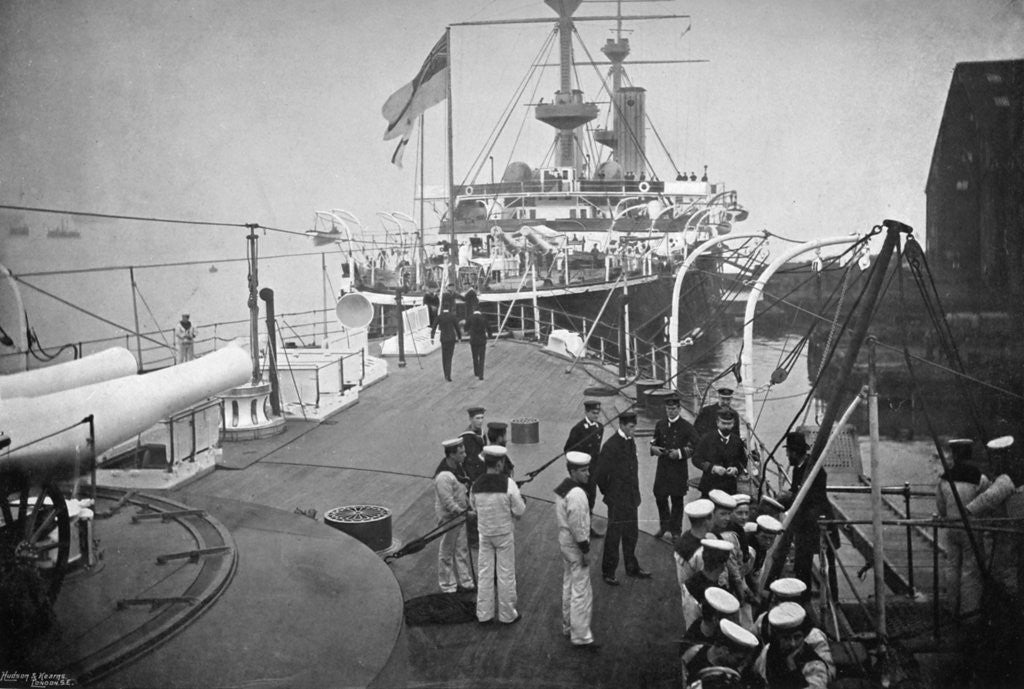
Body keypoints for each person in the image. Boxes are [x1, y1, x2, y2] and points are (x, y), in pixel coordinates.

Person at [471, 445, 526, 625]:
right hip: (503, 534)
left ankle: (484, 614)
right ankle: (508, 614)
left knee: (485, 573)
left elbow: (474, 507)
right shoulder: (508, 484)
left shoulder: (476, 484)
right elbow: (519, 510)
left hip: (485, 534)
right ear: (500, 463)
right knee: (506, 574)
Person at [594, 411, 651, 585]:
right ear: (622, 426)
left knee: (631, 534)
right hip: (617, 499)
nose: (634, 430)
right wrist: (610, 494)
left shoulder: (629, 441)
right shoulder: (611, 446)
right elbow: (600, 475)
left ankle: (631, 567)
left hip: (631, 497)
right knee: (614, 536)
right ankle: (608, 571)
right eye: (631, 427)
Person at [778, 431, 836, 593]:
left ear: (794, 452)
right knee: (802, 559)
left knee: (807, 557)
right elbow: (797, 490)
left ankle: (818, 597)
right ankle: (803, 591)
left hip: (818, 521)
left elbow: (812, 497)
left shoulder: (814, 469)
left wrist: (790, 499)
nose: (787, 455)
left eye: (788, 452)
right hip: (806, 519)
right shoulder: (800, 467)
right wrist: (786, 497)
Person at [935, 437, 986, 621]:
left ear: (954, 455)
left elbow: (940, 507)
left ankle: (951, 607)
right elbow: (986, 503)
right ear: (969, 454)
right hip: (971, 528)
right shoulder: (979, 478)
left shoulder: (944, 479)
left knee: (952, 566)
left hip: (951, 526)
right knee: (970, 569)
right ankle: (969, 613)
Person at [555, 451, 599, 650]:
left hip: (564, 542)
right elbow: (578, 525)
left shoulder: (562, 489)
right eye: (583, 470)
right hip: (575, 544)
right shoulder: (578, 494)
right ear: (573, 471)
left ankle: (567, 625)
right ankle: (580, 635)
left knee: (568, 583)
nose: (588, 474)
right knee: (581, 589)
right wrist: (586, 549)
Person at [650, 394, 699, 540]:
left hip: (678, 469)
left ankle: (676, 531)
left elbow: (697, 445)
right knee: (660, 496)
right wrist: (653, 449)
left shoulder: (687, 426)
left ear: (679, 409)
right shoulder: (660, 424)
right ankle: (664, 527)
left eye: (673, 409)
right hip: (663, 468)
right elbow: (654, 441)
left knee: (677, 499)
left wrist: (680, 453)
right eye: (668, 409)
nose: (670, 412)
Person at [754, 602, 835, 689]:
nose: (793, 644)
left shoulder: (814, 666)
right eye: (786, 638)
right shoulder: (767, 652)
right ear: (777, 638)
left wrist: (793, 669)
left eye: (797, 637)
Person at [433, 437, 475, 594]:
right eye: (461, 453)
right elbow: (448, 503)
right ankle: (447, 584)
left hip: (461, 516)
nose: (465, 455)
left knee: (462, 548)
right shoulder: (444, 477)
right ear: (451, 455)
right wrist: (465, 513)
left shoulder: (458, 468)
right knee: (447, 551)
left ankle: (465, 581)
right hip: (449, 519)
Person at [564, 400, 605, 539]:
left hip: (592, 472)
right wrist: (575, 471)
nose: (596, 415)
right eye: (593, 413)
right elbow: (568, 450)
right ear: (586, 412)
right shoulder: (578, 429)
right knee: (579, 501)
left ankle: (587, 528)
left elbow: (596, 451)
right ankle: (577, 529)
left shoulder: (600, 427)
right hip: (580, 473)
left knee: (591, 499)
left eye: (598, 413)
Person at [682, 619, 761, 689]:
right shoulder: (693, 654)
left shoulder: (734, 676)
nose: (741, 664)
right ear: (724, 650)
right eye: (739, 659)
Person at [692, 410, 748, 497]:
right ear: (718, 423)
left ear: (733, 424)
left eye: (729, 424)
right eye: (723, 423)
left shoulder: (737, 441)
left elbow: (743, 461)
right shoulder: (707, 439)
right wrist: (712, 468)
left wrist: (735, 469)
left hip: (729, 488)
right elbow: (696, 459)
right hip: (709, 487)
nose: (726, 426)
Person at [430, 306, 461, 382]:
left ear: (442, 310)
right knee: (449, 357)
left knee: (444, 357)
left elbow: (434, 326)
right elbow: (457, 328)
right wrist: (459, 337)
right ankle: (448, 375)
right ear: (449, 309)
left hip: (444, 339)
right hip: (451, 338)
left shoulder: (440, 317)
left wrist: (432, 337)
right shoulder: (452, 317)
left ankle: (445, 374)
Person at [464, 308, 492, 380]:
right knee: (482, 358)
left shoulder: (470, 318)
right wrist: (489, 335)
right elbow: (489, 328)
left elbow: (466, 328)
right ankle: (481, 374)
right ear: (480, 311)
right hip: (482, 340)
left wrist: (468, 330)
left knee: (475, 357)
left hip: (473, 340)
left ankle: (476, 372)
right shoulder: (483, 318)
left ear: (474, 311)